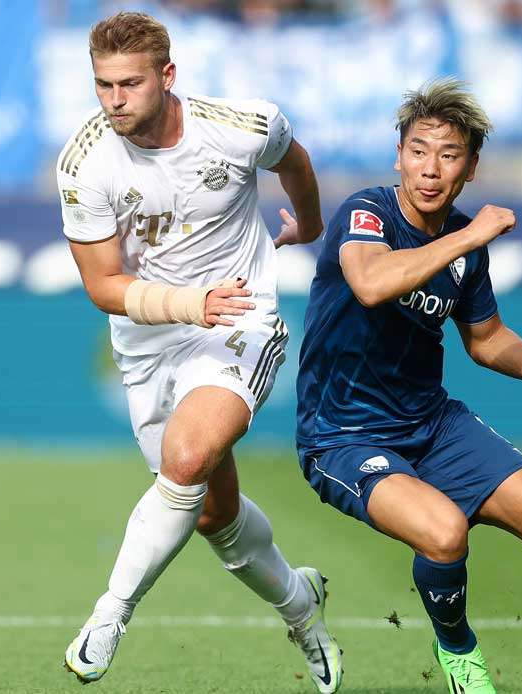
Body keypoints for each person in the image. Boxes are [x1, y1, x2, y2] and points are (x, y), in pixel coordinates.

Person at [294, 78, 522, 694]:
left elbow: (487, 340)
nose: (430, 169)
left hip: (431, 424)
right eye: (418, 150)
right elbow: (372, 284)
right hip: (343, 437)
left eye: (448, 155)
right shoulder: (366, 212)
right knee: (443, 532)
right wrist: (469, 235)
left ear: (471, 167)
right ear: (398, 155)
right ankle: (459, 651)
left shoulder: (467, 248)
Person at [55, 12, 342, 692]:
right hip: (150, 336)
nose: (115, 100)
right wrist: (186, 303)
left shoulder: (239, 126)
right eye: (103, 85)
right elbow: (102, 285)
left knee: (185, 459)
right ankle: (304, 609)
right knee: (211, 514)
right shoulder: (85, 162)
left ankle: (109, 615)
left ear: (167, 76)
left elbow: (293, 160)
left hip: (238, 319)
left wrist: (310, 222)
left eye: (129, 84)